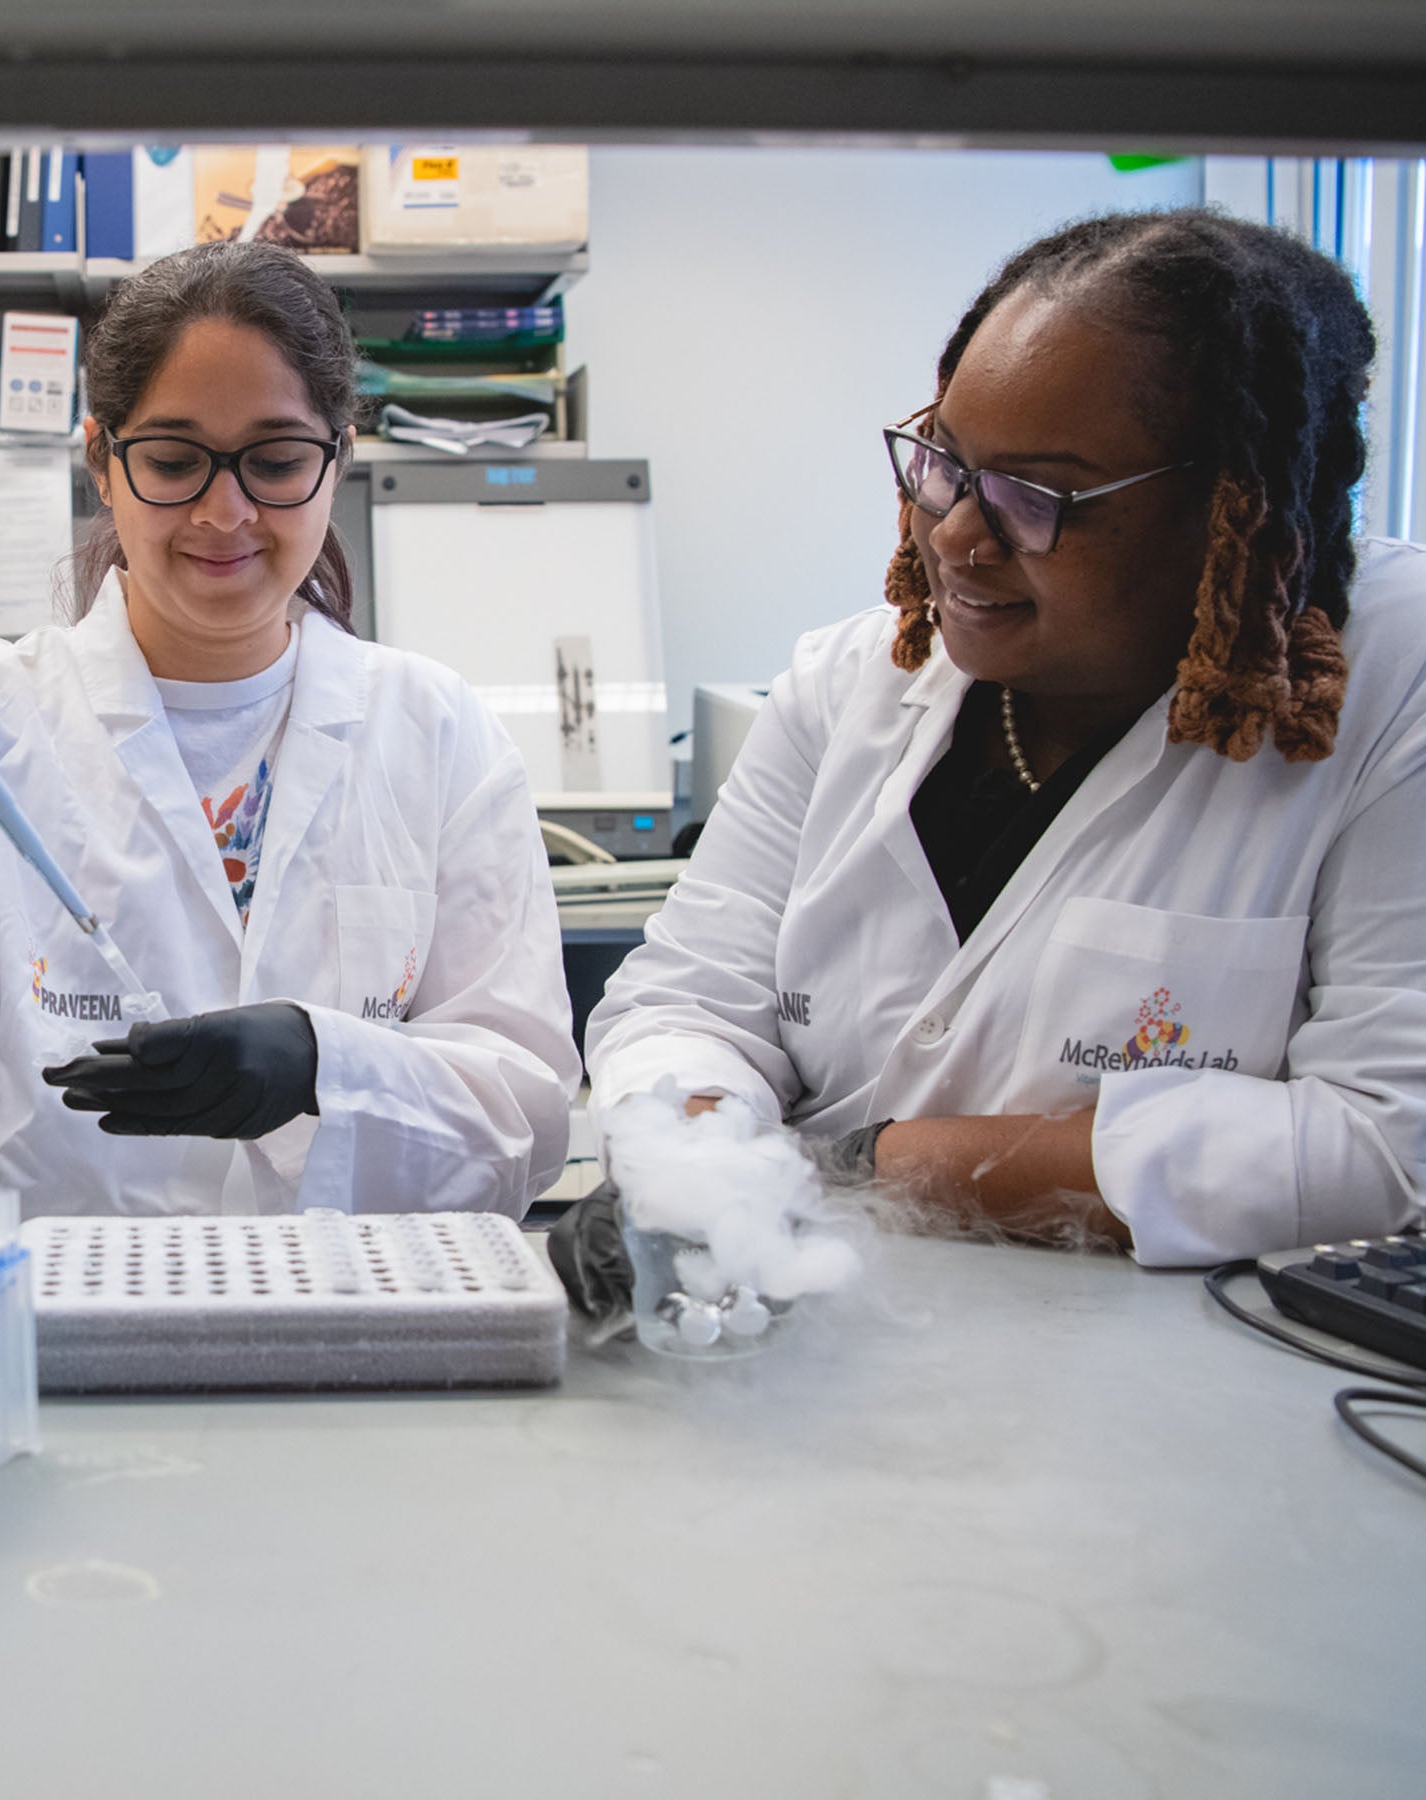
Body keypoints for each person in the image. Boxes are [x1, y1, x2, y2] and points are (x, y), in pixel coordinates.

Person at [0, 239, 578, 1216]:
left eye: (274, 460)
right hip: (41, 1331)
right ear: (102, 460)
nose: (226, 512)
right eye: (175, 461)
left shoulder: (439, 733)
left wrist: (325, 1065)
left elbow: (528, 1115)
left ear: (337, 458)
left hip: (345, 1327)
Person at [587, 208, 1426, 1266]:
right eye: (942, 464)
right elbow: (685, 1002)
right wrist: (697, 1157)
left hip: (1183, 1386)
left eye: (1039, 497)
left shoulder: (1395, 680)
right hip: (818, 1341)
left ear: (1232, 509)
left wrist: (863, 1169)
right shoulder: (846, 684)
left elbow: (1385, 1141)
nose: (955, 537)